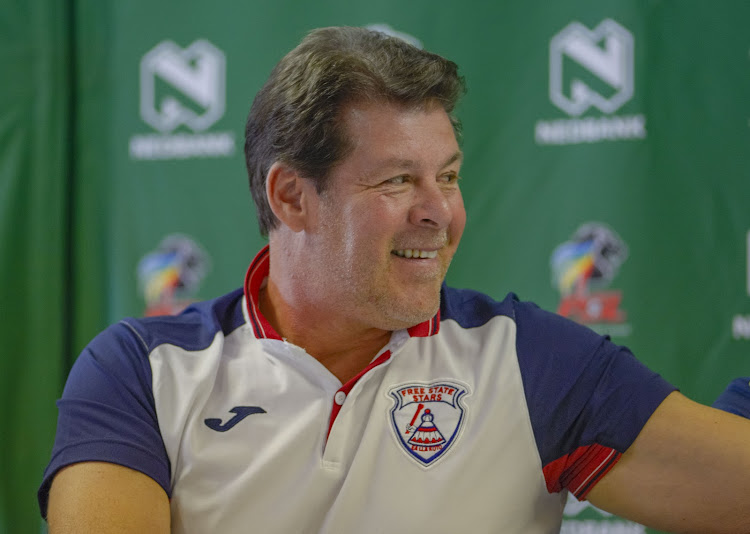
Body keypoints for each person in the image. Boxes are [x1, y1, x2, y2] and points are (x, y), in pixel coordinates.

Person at [39, 26, 750, 534]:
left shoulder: (530, 359)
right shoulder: (141, 371)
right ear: (290, 196)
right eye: (397, 180)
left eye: (447, 176)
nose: (439, 213)